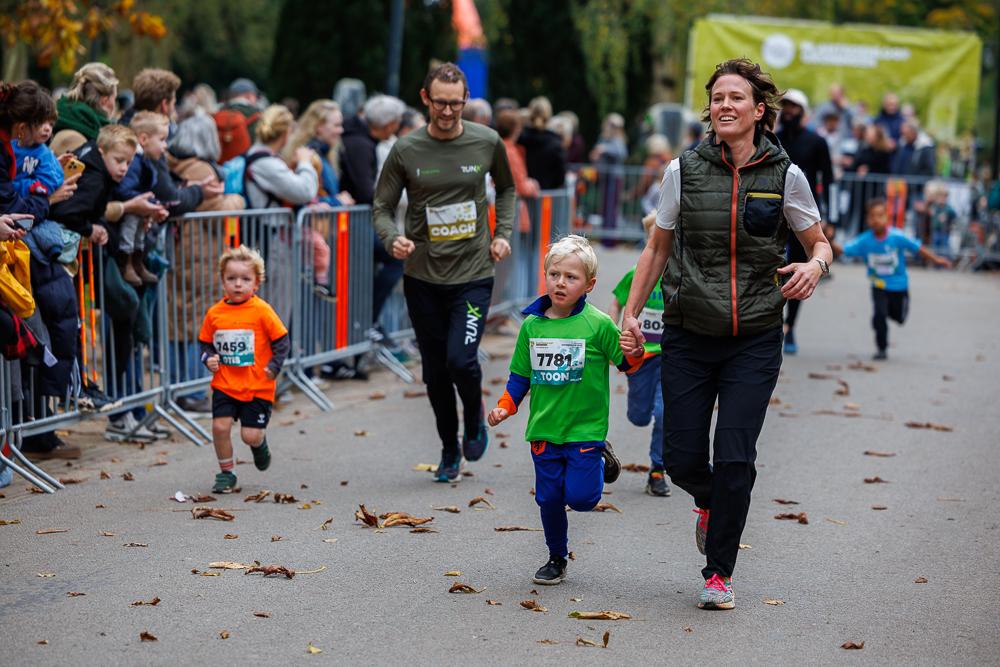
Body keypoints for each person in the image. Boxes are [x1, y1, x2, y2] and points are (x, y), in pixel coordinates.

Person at [619, 58, 833, 610]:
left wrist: (815, 266)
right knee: (682, 456)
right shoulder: (682, 171)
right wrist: (629, 316)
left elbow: (820, 242)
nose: (725, 106)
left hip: (755, 337)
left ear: (759, 111)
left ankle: (718, 571)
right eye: (717, 98)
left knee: (735, 455)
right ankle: (712, 502)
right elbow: (657, 247)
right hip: (690, 332)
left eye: (737, 98)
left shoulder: (786, 176)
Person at [373, 62, 515, 482]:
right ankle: (449, 449)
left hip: (472, 272)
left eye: (456, 103)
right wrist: (391, 238)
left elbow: (505, 189)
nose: (449, 112)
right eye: (440, 103)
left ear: (465, 100)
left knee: (461, 359)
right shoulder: (406, 149)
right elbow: (381, 206)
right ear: (425, 99)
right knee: (435, 371)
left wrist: (502, 231)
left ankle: (473, 416)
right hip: (422, 276)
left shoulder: (486, 141)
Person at [488, 235, 636, 584]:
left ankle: (600, 459)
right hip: (544, 429)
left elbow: (627, 365)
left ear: (589, 284)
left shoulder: (598, 324)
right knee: (549, 499)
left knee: (583, 499)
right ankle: (556, 557)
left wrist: (636, 349)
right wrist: (504, 407)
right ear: (545, 276)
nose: (560, 282)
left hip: (585, 429)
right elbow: (519, 377)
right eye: (554, 274)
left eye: (571, 277)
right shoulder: (532, 326)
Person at [199, 245, 289, 493]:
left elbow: (282, 340)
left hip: (257, 384)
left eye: (245, 279)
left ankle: (259, 444)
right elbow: (205, 342)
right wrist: (208, 358)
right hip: (225, 383)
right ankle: (227, 473)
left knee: (249, 436)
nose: (238, 284)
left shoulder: (262, 310)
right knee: (219, 427)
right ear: (222, 281)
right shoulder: (215, 313)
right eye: (231, 278)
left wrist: (274, 366)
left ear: (256, 283)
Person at [838, 198, 951, 360]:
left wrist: (936, 259)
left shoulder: (897, 237)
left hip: (899, 286)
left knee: (899, 318)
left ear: (887, 217)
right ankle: (881, 348)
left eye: (880, 215)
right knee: (879, 316)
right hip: (878, 285)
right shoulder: (865, 240)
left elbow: (917, 248)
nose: (877, 220)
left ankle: (888, 315)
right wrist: (824, 241)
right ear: (868, 220)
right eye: (873, 216)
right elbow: (843, 250)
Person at [608, 213, 669, 496]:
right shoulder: (637, 274)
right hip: (642, 356)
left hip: (671, 356)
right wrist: (612, 336)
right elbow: (617, 302)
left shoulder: (679, 275)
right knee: (639, 415)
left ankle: (658, 469)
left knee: (663, 411)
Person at [776, 89, 834, 355]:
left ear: (803, 111)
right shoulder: (771, 139)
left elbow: (828, 181)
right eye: (784, 106)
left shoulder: (816, 142)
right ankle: (772, 325)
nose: (788, 111)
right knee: (775, 268)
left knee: (800, 267)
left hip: (804, 218)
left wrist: (831, 218)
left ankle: (791, 327)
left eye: (793, 107)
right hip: (774, 214)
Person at [116, 111, 171, 286]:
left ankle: (137, 263)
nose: (165, 146)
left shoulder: (145, 160)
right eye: (162, 140)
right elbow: (125, 189)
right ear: (144, 139)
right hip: (131, 210)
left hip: (140, 210)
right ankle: (127, 264)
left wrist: (152, 204)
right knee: (130, 232)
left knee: (139, 235)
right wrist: (146, 203)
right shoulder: (134, 162)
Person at [9, 81, 78, 208]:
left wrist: (18, 186)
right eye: (42, 123)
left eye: (51, 124)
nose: (47, 129)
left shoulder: (44, 154)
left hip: (30, 207)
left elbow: (49, 182)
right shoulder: (10, 145)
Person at [285, 100, 354, 206]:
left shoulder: (325, 155)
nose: (341, 130)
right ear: (319, 127)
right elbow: (304, 200)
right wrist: (338, 201)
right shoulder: (306, 157)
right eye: (336, 125)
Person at [340, 95, 406, 205]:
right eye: (398, 122)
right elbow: (365, 191)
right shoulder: (361, 147)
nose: (398, 127)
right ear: (389, 125)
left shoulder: (362, 140)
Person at [50, 62, 118, 155]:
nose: (115, 104)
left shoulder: (66, 121)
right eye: (115, 98)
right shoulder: (74, 140)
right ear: (105, 101)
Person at [495, 109, 540, 232]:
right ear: (515, 129)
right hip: (512, 215)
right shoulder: (510, 152)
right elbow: (521, 185)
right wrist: (533, 185)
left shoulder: (495, 147)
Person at [518, 97, 566, 190]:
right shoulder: (555, 143)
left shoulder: (520, 140)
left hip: (522, 199)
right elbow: (560, 177)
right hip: (548, 198)